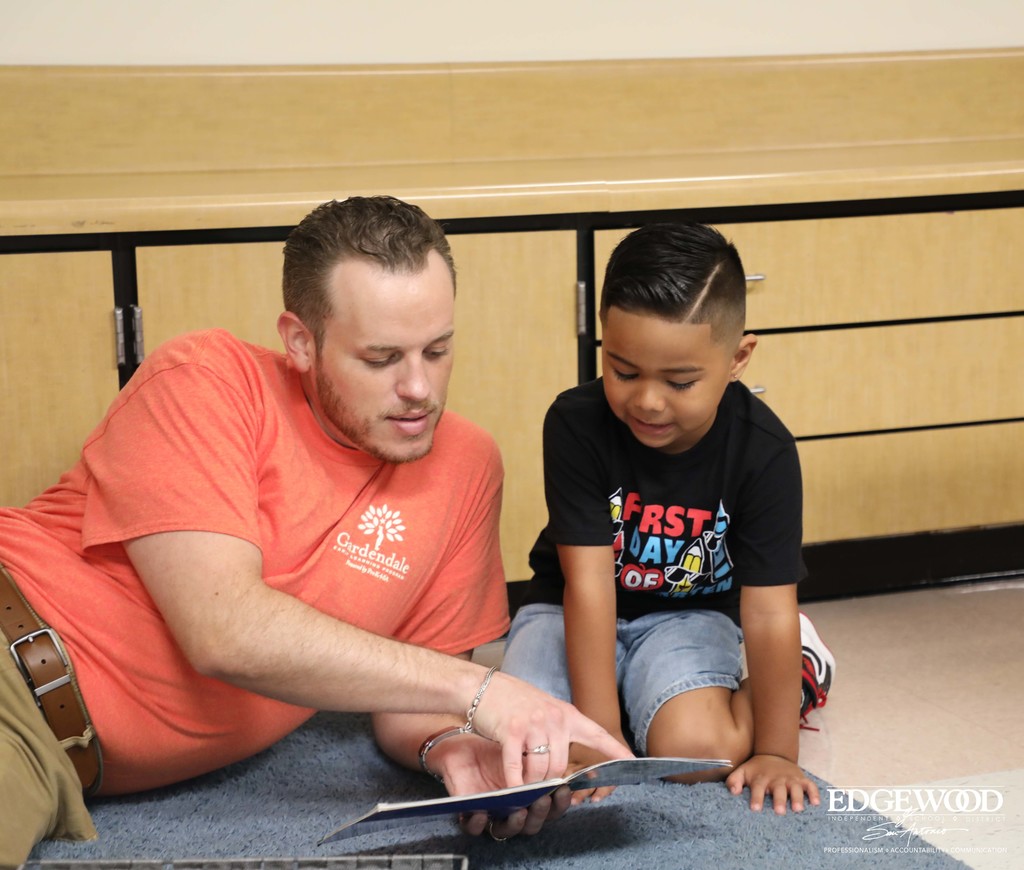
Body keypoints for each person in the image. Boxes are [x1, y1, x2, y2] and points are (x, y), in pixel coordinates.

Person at [0, 195, 630, 866]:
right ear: (301, 341)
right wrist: (480, 692)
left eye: (438, 350)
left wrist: (451, 746)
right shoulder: (205, 382)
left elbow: (409, 689)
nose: (420, 387)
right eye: (382, 358)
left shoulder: (467, 466)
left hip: (58, 762)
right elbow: (225, 632)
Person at [500, 221, 836, 815]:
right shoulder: (574, 424)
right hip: (565, 606)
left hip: (690, 613)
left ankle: (800, 668)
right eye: (624, 372)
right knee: (529, 750)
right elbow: (588, 583)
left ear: (738, 358)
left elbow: (765, 607)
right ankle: (625, 708)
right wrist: (601, 736)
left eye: (680, 382)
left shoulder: (765, 450)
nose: (648, 401)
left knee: (698, 754)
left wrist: (779, 753)